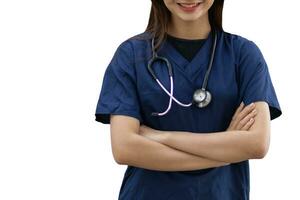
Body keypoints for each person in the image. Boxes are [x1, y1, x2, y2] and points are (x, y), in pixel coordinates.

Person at [94, 0, 282, 199]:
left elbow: (257, 144)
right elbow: (125, 149)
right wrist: (226, 153)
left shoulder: (243, 54)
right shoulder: (131, 55)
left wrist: (161, 136)